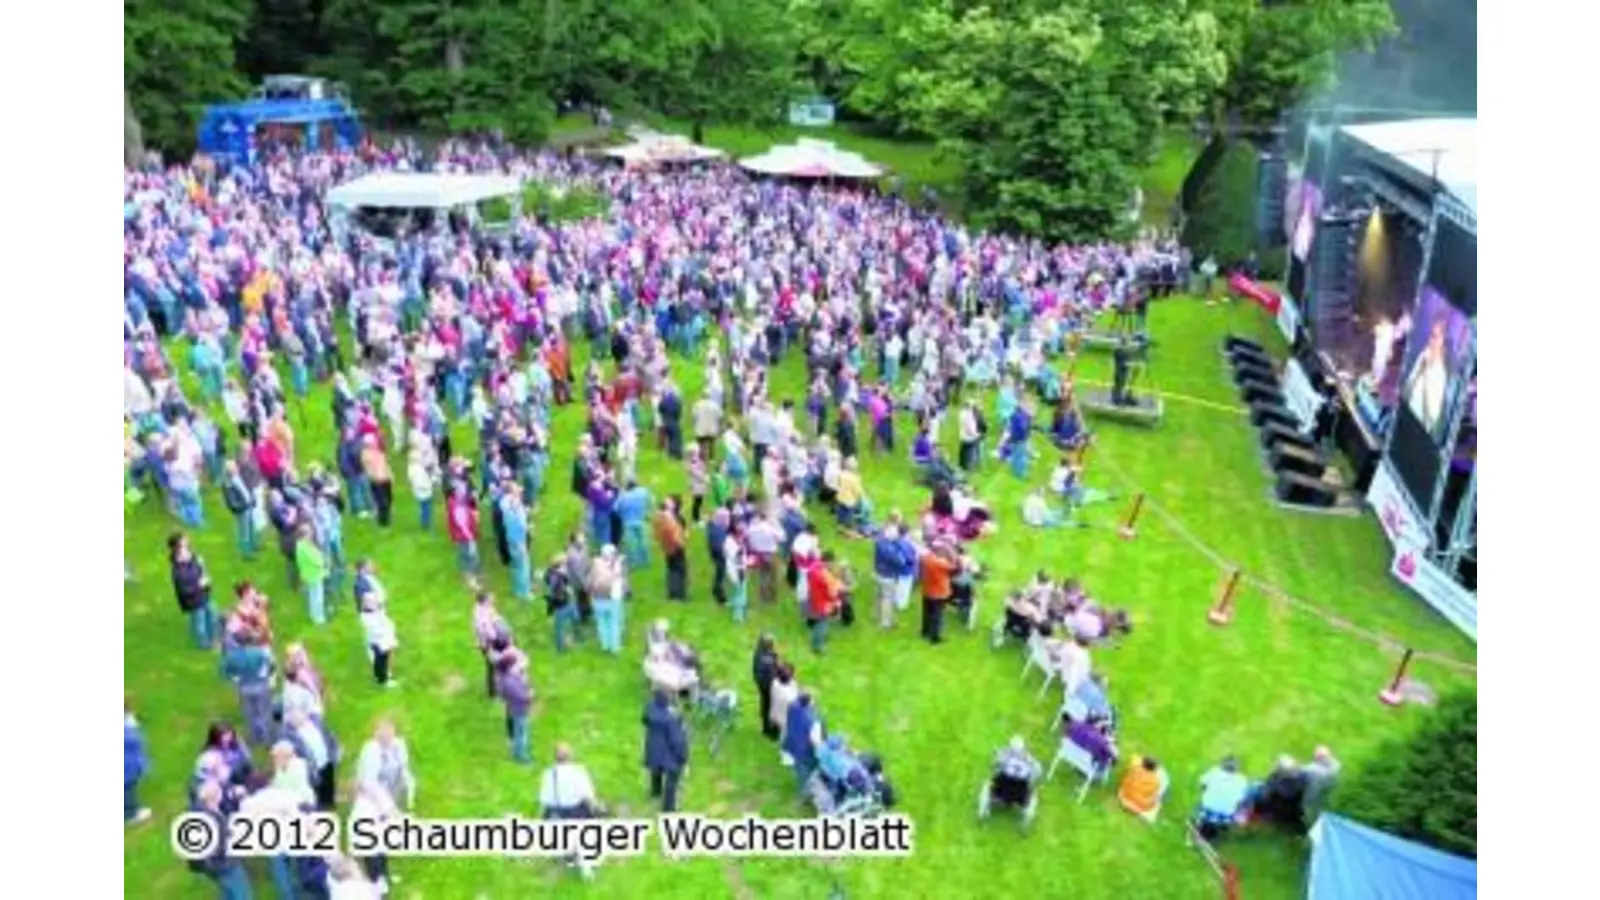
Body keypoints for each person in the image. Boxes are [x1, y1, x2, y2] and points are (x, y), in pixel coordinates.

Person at [187, 780, 254, 899]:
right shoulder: (214, 818)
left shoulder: (197, 811)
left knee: (227, 892)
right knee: (242, 894)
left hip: (210, 867)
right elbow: (223, 846)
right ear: (216, 796)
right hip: (226, 865)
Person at [281, 706, 341, 810]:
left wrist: (335, 752)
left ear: (304, 714)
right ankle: (320, 811)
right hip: (312, 770)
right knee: (317, 796)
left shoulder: (316, 722)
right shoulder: (289, 735)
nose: (294, 719)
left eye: (297, 714)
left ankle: (329, 803)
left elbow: (329, 735)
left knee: (328, 787)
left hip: (327, 762)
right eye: (291, 717)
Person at [642, 689, 689, 813]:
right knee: (672, 779)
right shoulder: (671, 719)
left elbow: (644, 720)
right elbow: (677, 741)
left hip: (653, 749)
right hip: (669, 755)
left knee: (655, 770)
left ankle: (655, 792)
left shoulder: (650, 708)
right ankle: (668, 808)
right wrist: (683, 756)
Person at [356, 718, 417, 814]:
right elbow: (370, 782)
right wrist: (387, 805)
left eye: (390, 732)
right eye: (383, 732)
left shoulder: (399, 745)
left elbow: (405, 769)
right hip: (370, 792)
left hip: (393, 786)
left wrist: (410, 802)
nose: (387, 736)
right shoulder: (371, 750)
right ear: (375, 734)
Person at [170, 533, 218, 649]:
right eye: (184, 542)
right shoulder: (178, 571)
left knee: (213, 614)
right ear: (178, 549)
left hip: (204, 595)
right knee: (200, 622)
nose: (188, 553)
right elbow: (184, 590)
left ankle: (213, 639)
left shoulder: (192, 557)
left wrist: (202, 566)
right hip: (194, 600)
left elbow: (200, 570)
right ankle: (203, 644)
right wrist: (200, 585)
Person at [1195, 755, 1254, 839]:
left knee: (1204, 805)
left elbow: (1202, 785)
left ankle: (1203, 827)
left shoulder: (1214, 772)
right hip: (1226, 817)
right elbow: (1242, 800)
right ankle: (1218, 828)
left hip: (1206, 812)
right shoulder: (1242, 780)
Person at [782, 691, 824, 795]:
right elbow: (816, 741)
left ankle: (803, 789)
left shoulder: (792, 706)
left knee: (798, 768)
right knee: (807, 772)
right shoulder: (814, 720)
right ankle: (805, 792)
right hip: (805, 752)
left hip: (792, 743)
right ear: (809, 703)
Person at [497, 651, 535, 764]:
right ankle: (522, 758)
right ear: (510, 666)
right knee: (522, 734)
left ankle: (516, 753)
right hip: (519, 709)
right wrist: (530, 694)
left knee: (519, 732)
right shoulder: (510, 681)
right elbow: (522, 696)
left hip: (513, 708)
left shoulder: (506, 678)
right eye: (515, 664)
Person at [918, 540, 959, 644]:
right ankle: (934, 638)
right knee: (937, 616)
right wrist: (952, 553)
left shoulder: (925, 558)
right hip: (939, 593)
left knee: (927, 612)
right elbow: (955, 568)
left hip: (927, 590)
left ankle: (925, 632)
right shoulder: (941, 563)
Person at [360, 589, 400, 688]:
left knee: (384, 659)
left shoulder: (374, 613)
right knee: (381, 661)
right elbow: (377, 630)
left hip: (383, 641)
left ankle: (383, 677)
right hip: (379, 642)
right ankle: (383, 680)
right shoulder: (367, 617)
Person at [654, 496, 688, 601]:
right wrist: (682, 543)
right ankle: (680, 594)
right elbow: (681, 533)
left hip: (667, 546)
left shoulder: (660, 516)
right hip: (676, 545)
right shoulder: (675, 517)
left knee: (672, 569)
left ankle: (673, 593)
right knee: (680, 570)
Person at [125, 698, 153, 824]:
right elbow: (136, 744)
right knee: (127, 788)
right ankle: (129, 814)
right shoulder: (129, 731)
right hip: (128, 766)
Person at [1119, 755, 1171, 820]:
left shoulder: (1134, 771)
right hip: (1142, 804)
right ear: (1154, 769)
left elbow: (1124, 783)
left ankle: (1131, 805)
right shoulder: (1155, 781)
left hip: (1128, 797)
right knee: (1160, 797)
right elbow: (1155, 796)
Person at [752, 635, 780, 739]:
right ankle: (769, 730)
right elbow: (773, 674)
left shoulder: (759, 653)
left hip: (761, 683)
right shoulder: (767, 661)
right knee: (769, 706)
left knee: (765, 704)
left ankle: (766, 726)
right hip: (767, 686)